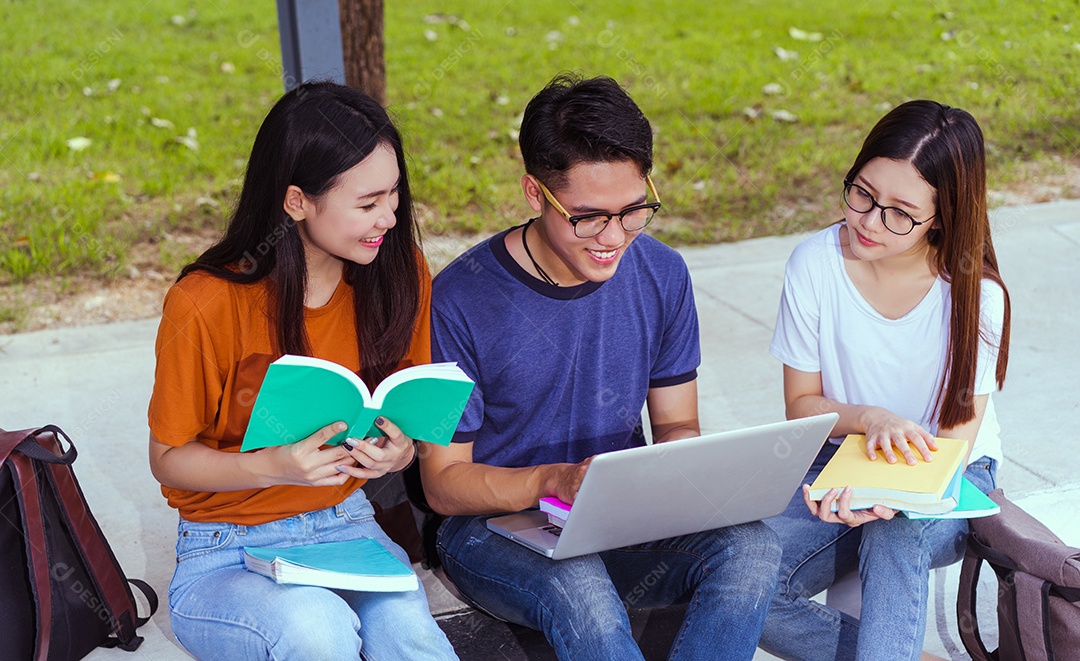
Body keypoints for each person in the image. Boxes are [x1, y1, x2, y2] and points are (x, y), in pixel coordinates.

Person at [420, 73, 782, 661]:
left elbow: (675, 427)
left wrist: (690, 473)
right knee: (578, 582)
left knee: (751, 548)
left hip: (618, 514)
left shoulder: (661, 274)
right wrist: (551, 481)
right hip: (492, 528)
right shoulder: (461, 299)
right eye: (588, 217)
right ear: (535, 194)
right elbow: (442, 483)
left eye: (634, 210)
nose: (614, 237)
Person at [147, 81, 457, 661]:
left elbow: (405, 413)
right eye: (367, 203)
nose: (389, 217)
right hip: (224, 550)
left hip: (347, 525)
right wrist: (275, 467)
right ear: (296, 201)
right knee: (318, 628)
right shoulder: (206, 302)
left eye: (394, 195)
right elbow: (168, 459)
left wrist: (399, 452)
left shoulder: (401, 273)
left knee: (412, 640)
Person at [758, 100, 1011, 661]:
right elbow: (801, 405)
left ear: (942, 217)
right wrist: (869, 420)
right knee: (743, 578)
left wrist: (882, 496)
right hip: (841, 460)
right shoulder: (814, 264)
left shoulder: (976, 297)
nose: (869, 222)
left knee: (894, 533)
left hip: (952, 478)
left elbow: (950, 451)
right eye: (863, 194)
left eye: (900, 212)